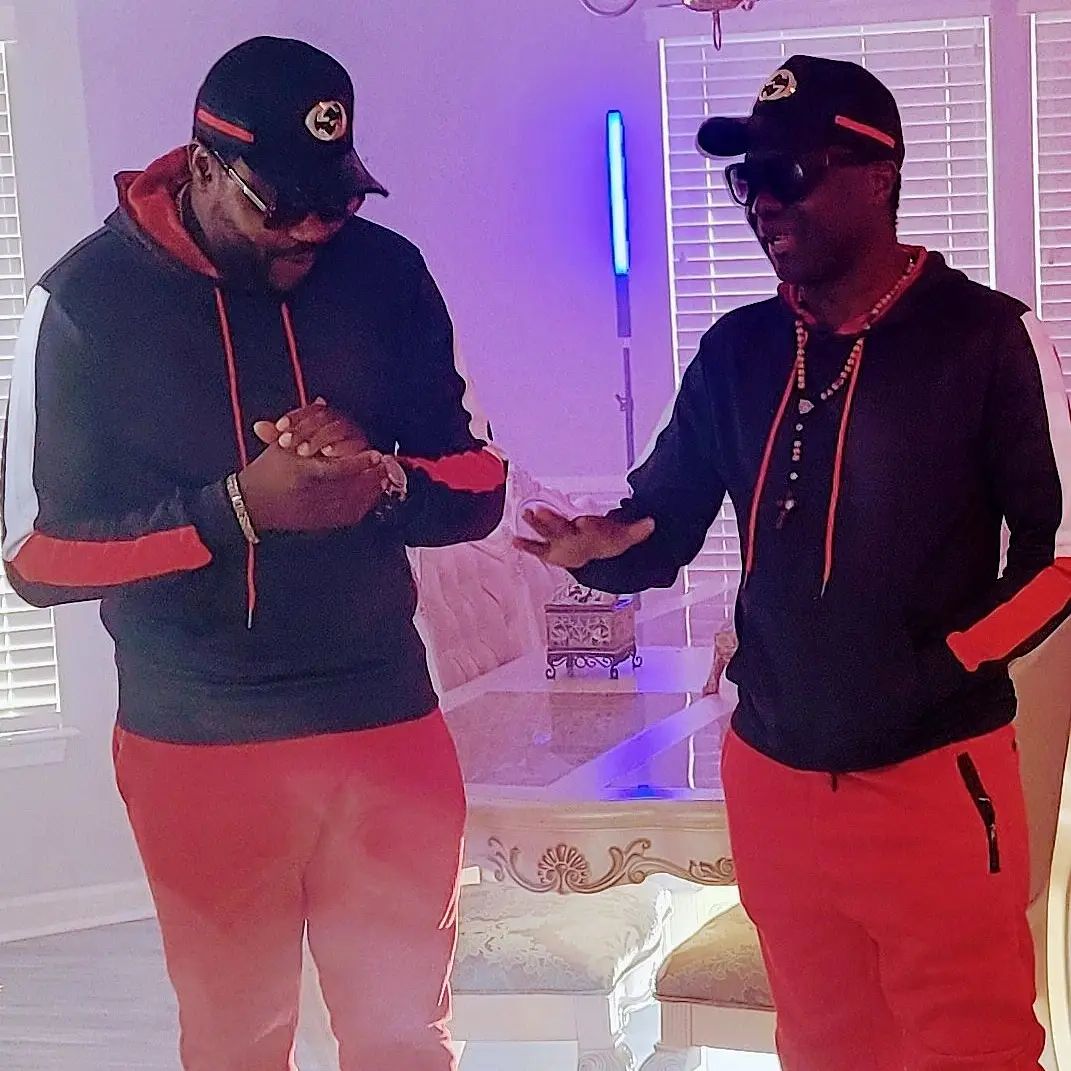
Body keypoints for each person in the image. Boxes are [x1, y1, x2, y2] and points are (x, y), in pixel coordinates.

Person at [518, 55, 1071, 1071]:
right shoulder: (739, 350)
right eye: (748, 179)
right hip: (772, 777)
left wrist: (941, 667)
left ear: (878, 175)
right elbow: (662, 520)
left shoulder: (987, 338)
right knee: (821, 1048)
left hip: (931, 780)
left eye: (789, 174)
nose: (762, 203)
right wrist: (601, 551)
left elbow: (1057, 558)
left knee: (974, 1049)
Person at [1, 37, 506, 1071]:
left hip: (382, 716)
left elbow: (480, 485)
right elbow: (38, 558)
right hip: (200, 740)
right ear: (202, 167)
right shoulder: (87, 300)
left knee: (405, 1036)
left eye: (338, 201)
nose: (312, 230)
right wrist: (236, 508)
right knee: (238, 1040)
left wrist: (382, 479)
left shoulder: (387, 272)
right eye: (281, 206)